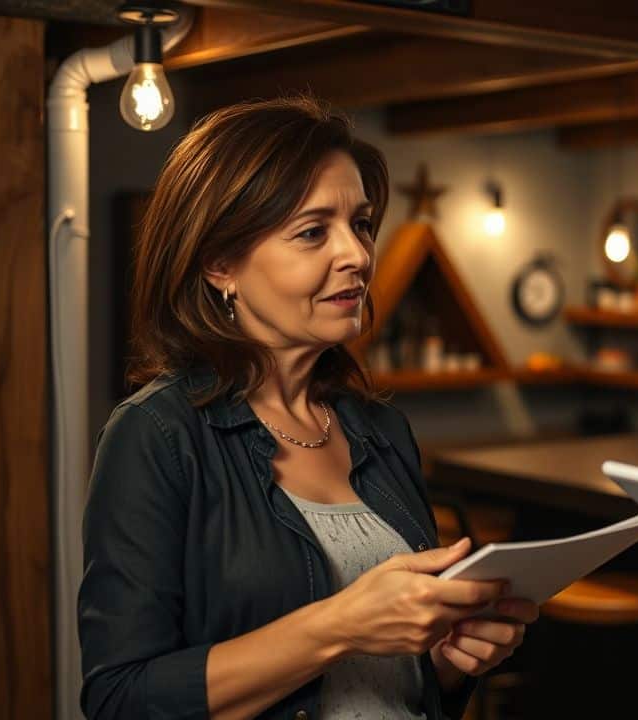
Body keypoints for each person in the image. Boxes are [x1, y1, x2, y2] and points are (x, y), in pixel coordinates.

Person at [78, 97, 536, 720]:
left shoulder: (381, 429)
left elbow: (393, 690)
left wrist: (449, 665)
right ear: (220, 264)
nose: (357, 254)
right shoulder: (156, 434)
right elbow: (119, 700)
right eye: (313, 231)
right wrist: (337, 626)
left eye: (362, 224)